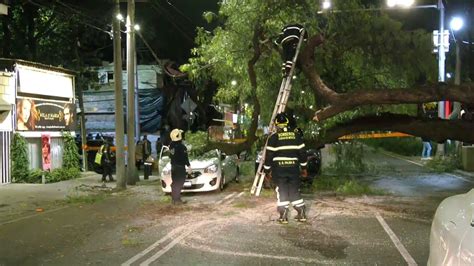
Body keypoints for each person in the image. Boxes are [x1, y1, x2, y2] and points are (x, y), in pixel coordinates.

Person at [264, 113, 308, 224]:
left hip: (279, 169)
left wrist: (267, 171)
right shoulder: (296, 137)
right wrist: (304, 168)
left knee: (282, 190)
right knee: (294, 189)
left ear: (276, 125)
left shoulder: (273, 138)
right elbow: (303, 153)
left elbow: (269, 156)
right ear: (287, 123)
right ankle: (301, 213)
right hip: (293, 168)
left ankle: (283, 216)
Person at [169, 128, 191, 205]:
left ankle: (174, 199)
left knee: (174, 183)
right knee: (179, 183)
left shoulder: (171, 145)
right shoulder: (182, 147)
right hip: (180, 168)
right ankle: (177, 199)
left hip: (173, 167)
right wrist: (189, 166)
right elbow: (185, 158)